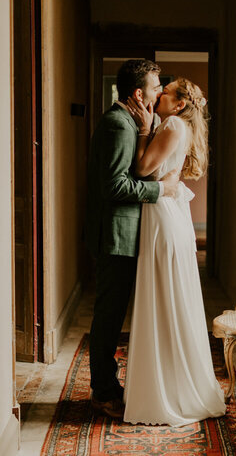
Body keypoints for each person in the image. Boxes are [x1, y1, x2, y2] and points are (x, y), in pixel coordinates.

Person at [121, 77, 226, 426]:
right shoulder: (177, 124)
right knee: (166, 301)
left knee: (163, 300)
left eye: (166, 91)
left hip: (164, 219)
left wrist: (143, 129)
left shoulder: (170, 124)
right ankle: (168, 383)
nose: (160, 93)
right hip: (166, 215)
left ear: (179, 104)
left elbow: (141, 169)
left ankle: (168, 391)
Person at [84, 59, 179, 420]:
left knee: (114, 314)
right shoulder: (117, 125)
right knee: (108, 318)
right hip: (115, 236)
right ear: (139, 93)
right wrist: (160, 188)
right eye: (156, 88)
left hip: (123, 234)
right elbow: (115, 186)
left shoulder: (131, 121)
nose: (159, 93)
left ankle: (111, 385)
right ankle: (103, 392)